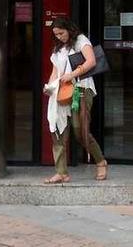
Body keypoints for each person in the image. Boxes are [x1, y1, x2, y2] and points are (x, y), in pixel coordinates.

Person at [43, 17, 108, 184]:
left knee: (80, 131)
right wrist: (50, 87)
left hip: (81, 89)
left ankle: (100, 161)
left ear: (69, 29)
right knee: (58, 130)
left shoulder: (80, 40)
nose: (59, 36)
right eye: (56, 34)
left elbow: (92, 61)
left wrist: (72, 75)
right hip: (62, 91)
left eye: (61, 33)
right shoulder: (58, 48)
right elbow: (55, 71)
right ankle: (61, 172)